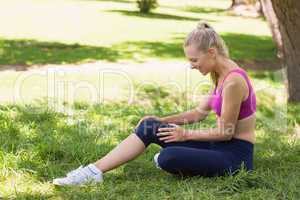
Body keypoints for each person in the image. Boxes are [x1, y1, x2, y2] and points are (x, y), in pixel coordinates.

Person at [53, 22, 256, 186]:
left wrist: (186, 134)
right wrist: (160, 120)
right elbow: (199, 113)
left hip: (234, 155)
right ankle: (93, 171)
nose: (192, 66)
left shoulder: (233, 81)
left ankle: (181, 159)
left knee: (168, 158)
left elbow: (226, 132)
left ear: (211, 52)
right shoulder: (219, 74)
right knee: (148, 126)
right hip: (216, 145)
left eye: (194, 60)